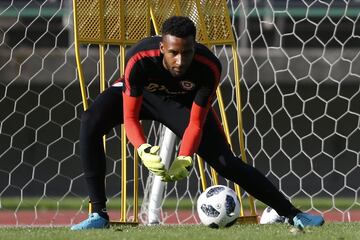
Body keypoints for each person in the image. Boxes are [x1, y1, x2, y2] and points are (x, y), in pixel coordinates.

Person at [71, 16, 324, 230]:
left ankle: (292, 213)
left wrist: (185, 156)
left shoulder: (208, 67)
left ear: (195, 47)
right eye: (173, 53)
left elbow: (195, 121)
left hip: (181, 105)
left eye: (187, 52)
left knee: (226, 162)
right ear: (161, 48)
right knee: (90, 121)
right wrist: (141, 148)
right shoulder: (139, 59)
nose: (180, 61)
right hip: (143, 97)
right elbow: (130, 116)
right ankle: (99, 214)